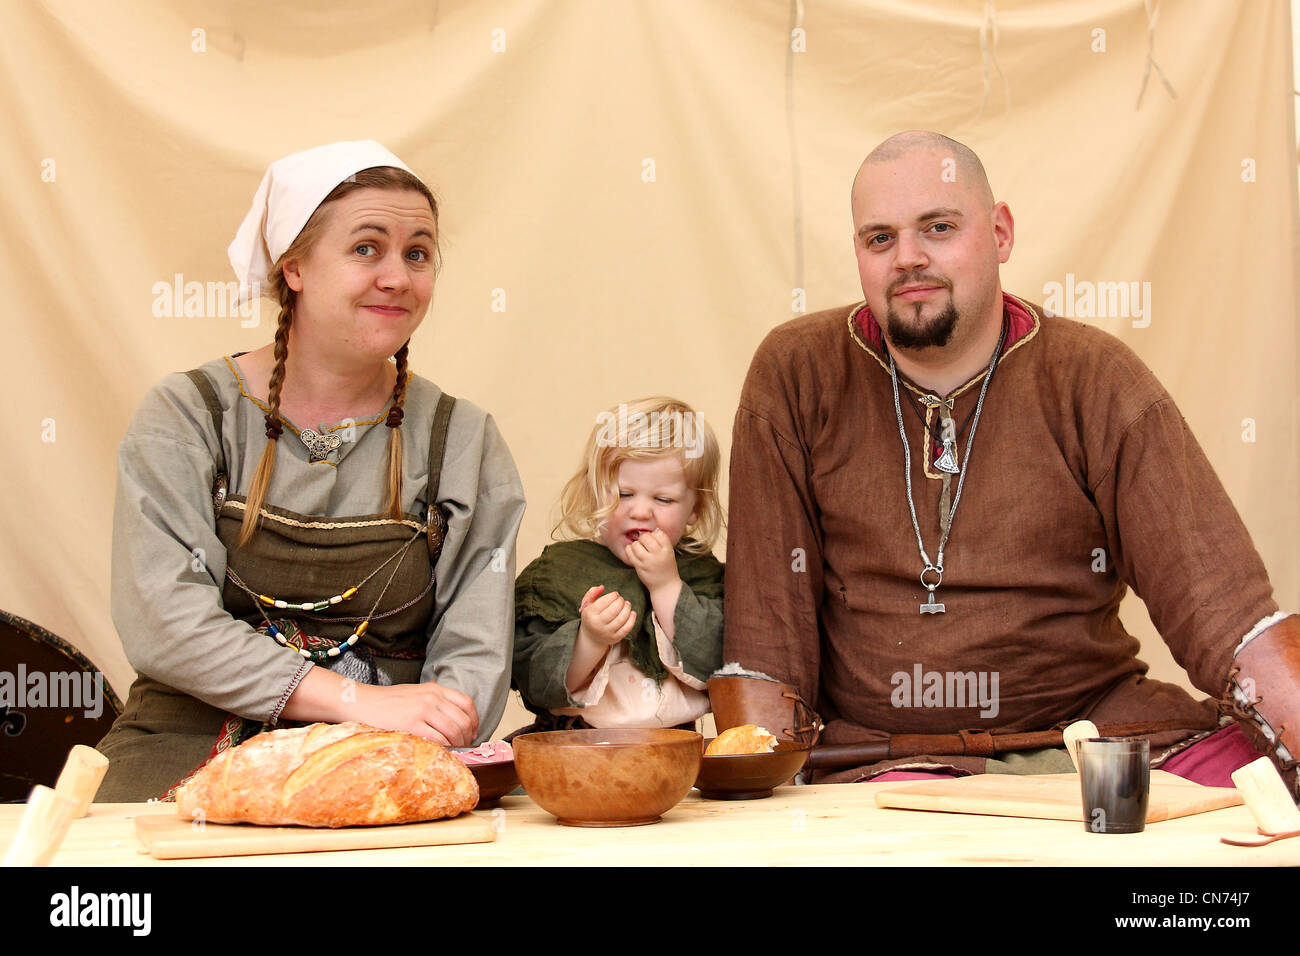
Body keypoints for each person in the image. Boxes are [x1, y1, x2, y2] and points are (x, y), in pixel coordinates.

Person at [720, 130, 1300, 791]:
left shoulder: (1094, 377)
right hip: (888, 760)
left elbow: (1224, 609)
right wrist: (759, 787)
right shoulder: (797, 373)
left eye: (937, 228)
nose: (908, 258)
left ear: (999, 233)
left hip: (1095, 733)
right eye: (880, 238)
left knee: (1246, 788)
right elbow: (768, 633)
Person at [95, 141, 526, 801]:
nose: (397, 277)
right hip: (188, 739)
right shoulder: (188, 415)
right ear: (293, 267)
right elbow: (165, 621)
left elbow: (473, 656)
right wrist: (351, 699)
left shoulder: (461, 440)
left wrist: (412, 735)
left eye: (417, 253)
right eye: (366, 249)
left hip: (385, 757)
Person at [512, 397, 725, 731]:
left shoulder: (702, 572)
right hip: (574, 747)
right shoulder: (559, 569)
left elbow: (719, 664)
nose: (640, 511)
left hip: (675, 748)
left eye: (663, 499)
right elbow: (534, 680)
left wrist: (667, 586)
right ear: (596, 493)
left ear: (695, 509)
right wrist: (590, 640)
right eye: (624, 494)